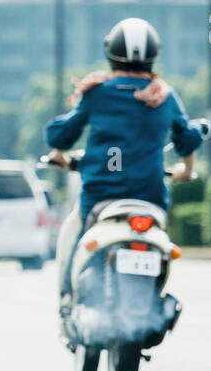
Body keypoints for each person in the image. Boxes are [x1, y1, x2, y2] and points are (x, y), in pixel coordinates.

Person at [44, 17, 202, 303]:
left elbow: (62, 134)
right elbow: (188, 137)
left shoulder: (97, 93)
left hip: (100, 195)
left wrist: (58, 156)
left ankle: (68, 299)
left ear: (110, 52)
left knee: (73, 234)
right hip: (150, 196)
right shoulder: (162, 95)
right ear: (154, 54)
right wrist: (186, 171)